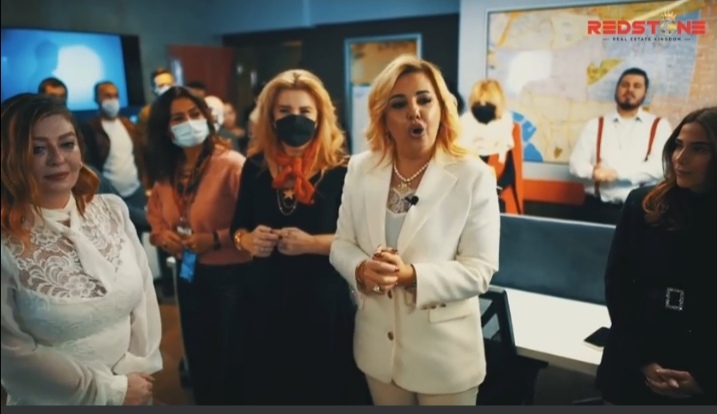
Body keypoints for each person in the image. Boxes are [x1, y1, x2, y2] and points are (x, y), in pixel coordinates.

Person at [329, 54, 501, 406]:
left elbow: (479, 270)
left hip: (445, 358)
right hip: (378, 353)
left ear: (442, 109)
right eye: (399, 104)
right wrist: (361, 269)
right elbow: (341, 245)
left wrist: (411, 276)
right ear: (383, 118)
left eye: (424, 100)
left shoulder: (474, 175)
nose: (414, 111)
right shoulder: (361, 169)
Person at [0, 93, 162, 405]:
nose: (57, 158)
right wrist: (109, 391)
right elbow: (11, 352)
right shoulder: (6, 242)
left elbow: (143, 297)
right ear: (9, 157)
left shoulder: (112, 210)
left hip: (134, 389)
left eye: (67, 144)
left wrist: (135, 371)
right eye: (37, 149)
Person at [229, 69, 370, 405]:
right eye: (285, 111)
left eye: (305, 111)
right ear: (270, 117)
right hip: (264, 301)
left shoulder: (342, 170)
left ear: (320, 117)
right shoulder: (254, 167)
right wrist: (247, 241)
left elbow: (363, 241)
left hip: (322, 303)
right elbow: (238, 228)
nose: (296, 119)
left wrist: (311, 244)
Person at [596, 106, 717, 405]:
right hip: (635, 365)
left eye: (698, 149)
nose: (680, 158)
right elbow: (619, 288)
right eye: (678, 145)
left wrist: (706, 378)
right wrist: (642, 360)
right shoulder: (645, 204)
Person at [145, 86, 250, 405]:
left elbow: (255, 223)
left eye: (194, 114)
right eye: (178, 118)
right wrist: (163, 236)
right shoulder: (168, 171)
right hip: (189, 272)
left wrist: (214, 239)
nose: (189, 122)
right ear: (166, 129)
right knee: (199, 352)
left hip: (233, 275)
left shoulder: (232, 165)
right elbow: (156, 216)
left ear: (207, 118)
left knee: (231, 358)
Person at [569, 68, 672, 224]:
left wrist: (616, 174)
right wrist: (594, 173)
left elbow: (659, 167)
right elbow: (576, 164)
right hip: (596, 209)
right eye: (625, 84)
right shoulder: (595, 124)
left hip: (640, 212)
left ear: (645, 93)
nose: (630, 89)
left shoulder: (659, 126)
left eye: (637, 86)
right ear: (617, 89)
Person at [459, 79, 524, 214]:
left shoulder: (510, 128)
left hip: (501, 200)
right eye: (477, 103)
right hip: (468, 200)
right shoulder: (462, 128)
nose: (482, 106)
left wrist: (495, 189)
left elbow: (513, 171)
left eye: (487, 103)